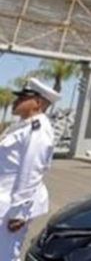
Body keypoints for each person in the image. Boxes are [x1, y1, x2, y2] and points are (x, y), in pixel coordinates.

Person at [0, 78, 59, 261]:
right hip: (4, 198)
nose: (16, 101)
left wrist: (20, 212)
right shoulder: (22, 127)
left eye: (22, 98)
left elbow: (31, 171)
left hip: (11, 205)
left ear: (38, 103)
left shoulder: (38, 130)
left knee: (5, 254)